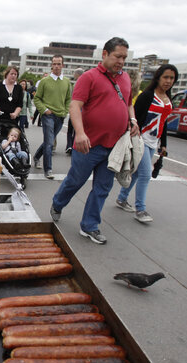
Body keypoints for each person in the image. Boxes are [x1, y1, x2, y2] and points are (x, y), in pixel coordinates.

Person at [50, 37, 140, 245]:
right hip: (88, 145)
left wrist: (132, 119)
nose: (121, 61)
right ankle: (58, 203)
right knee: (75, 180)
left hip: (114, 146)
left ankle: (90, 226)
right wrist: (80, 133)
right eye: (118, 56)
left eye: (124, 57)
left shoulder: (125, 78)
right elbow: (75, 106)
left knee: (103, 187)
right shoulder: (89, 77)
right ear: (105, 54)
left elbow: (128, 104)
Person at [115, 64, 178, 224]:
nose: (168, 81)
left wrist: (163, 144)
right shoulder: (148, 96)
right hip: (140, 139)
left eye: (171, 78)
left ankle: (122, 198)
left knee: (137, 173)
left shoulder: (168, 99)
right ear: (158, 77)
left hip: (152, 142)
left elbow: (163, 124)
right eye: (165, 77)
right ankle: (140, 209)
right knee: (145, 174)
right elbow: (133, 116)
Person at [32, 55, 72, 179]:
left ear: (62, 65)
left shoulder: (66, 82)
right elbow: (37, 98)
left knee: (48, 141)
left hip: (60, 116)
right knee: (49, 143)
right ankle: (48, 169)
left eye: (59, 64)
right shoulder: (44, 81)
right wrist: (44, 110)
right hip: (48, 115)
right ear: (51, 65)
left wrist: (65, 111)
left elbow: (68, 98)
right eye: (54, 64)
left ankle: (36, 157)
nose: (56, 66)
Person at [65, 68, 85, 154]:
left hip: (75, 112)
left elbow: (72, 99)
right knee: (77, 130)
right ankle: (73, 146)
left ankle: (69, 145)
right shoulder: (87, 84)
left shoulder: (77, 85)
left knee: (70, 131)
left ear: (77, 74)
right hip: (82, 113)